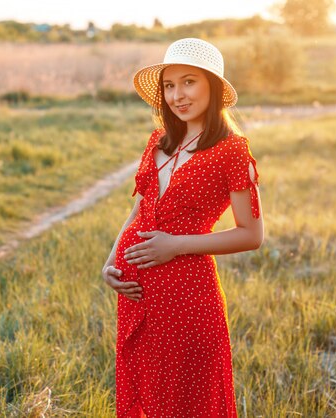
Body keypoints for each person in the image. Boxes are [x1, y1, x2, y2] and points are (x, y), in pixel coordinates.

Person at [101, 38, 264, 417]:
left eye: (189, 82)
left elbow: (252, 235)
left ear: (213, 86)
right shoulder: (158, 142)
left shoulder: (231, 150)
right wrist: (111, 263)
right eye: (170, 86)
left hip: (187, 296)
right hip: (137, 294)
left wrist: (176, 245)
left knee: (187, 401)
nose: (178, 95)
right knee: (146, 395)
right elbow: (141, 210)